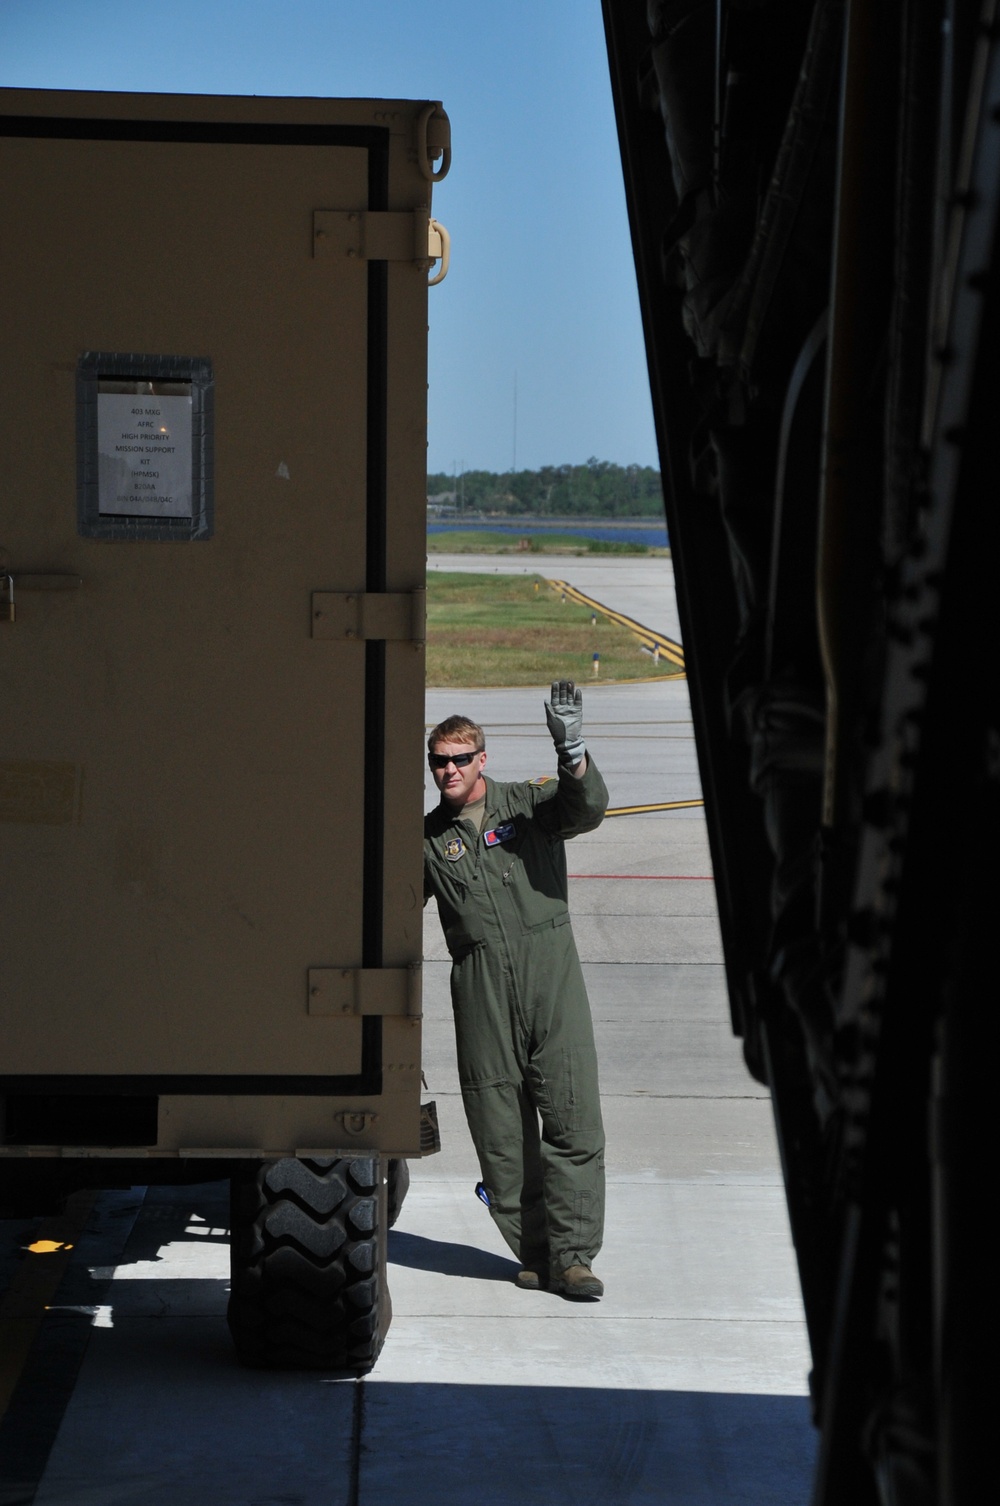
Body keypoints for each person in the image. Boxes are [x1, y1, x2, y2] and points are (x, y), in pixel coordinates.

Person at [423, 681, 609, 1298]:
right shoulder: (426, 840)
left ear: (482, 759)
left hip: (549, 976)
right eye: (438, 761)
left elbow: (583, 810)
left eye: (458, 758)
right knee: (499, 1130)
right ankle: (534, 1252)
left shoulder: (526, 807)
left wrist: (573, 749)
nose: (447, 770)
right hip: (479, 988)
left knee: (571, 1118)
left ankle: (575, 1258)